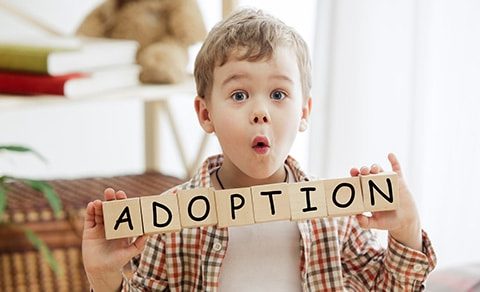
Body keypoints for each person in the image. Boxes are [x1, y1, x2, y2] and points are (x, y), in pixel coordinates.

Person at [82, 8, 436, 291]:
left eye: (278, 95)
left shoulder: (339, 219)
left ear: (304, 112)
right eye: (239, 95)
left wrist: (407, 230)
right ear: (206, 114)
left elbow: (392, 286)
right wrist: (104, 277)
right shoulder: (169, 225)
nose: (260, 111)